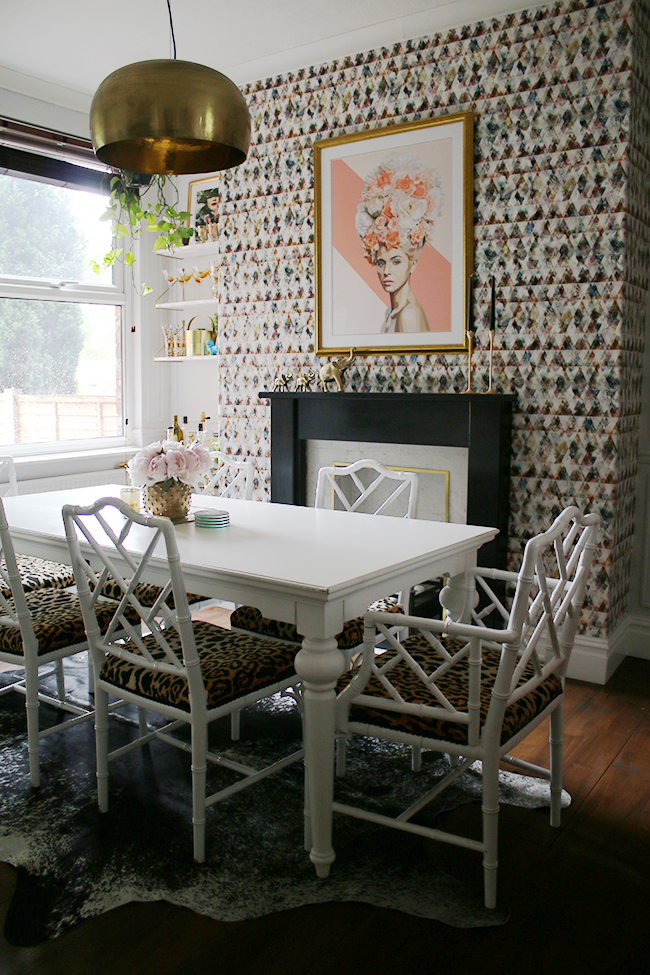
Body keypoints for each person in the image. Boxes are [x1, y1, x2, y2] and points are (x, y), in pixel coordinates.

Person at [355, 152, 444, 333]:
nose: (387, 271)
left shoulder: (408, 314)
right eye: (381, 262)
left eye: (396, 261)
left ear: (412, 264)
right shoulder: (392, 312)